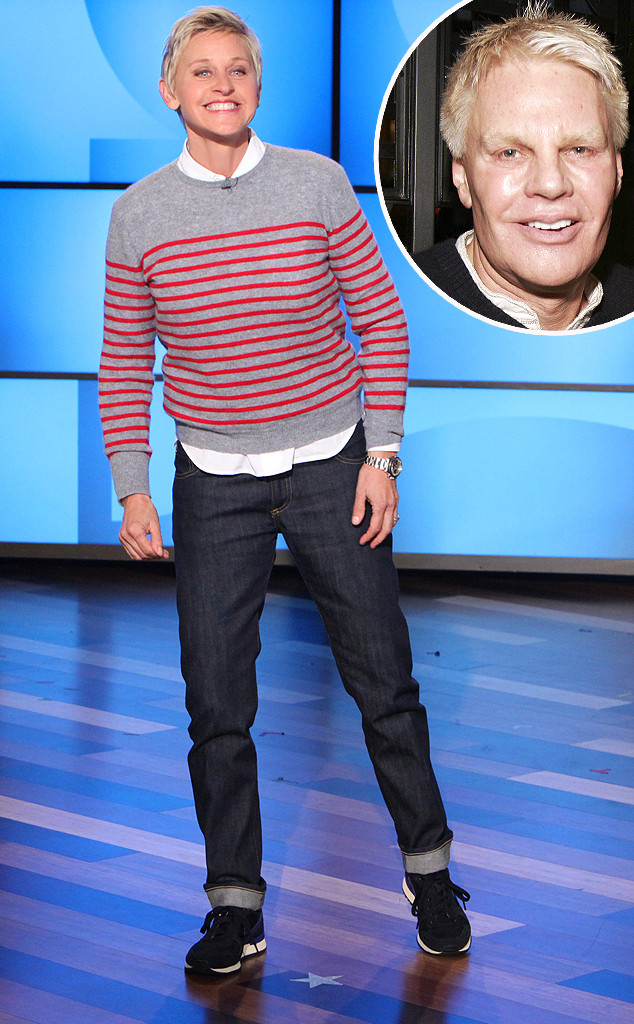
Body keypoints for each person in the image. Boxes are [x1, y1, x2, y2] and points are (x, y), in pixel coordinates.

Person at [99, 6, 471, 975]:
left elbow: (382, 321)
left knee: (384, 683)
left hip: (330, 466)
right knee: (216, 705)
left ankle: (430, 875)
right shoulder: (138, 213)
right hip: (211, 481)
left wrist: (382, 457)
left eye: (238, 69)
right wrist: (132, 486)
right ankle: (235, 906)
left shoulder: (314, 183)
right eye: (202, 70)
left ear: (258, 87)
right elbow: (124, 358)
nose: (222, 85)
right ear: (170, 90)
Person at [415, 4, 633, 330]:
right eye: (510, 153)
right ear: (462, 177)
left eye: (579, 149)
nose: (551, 184)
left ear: (617, 171)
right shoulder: (389, 313)